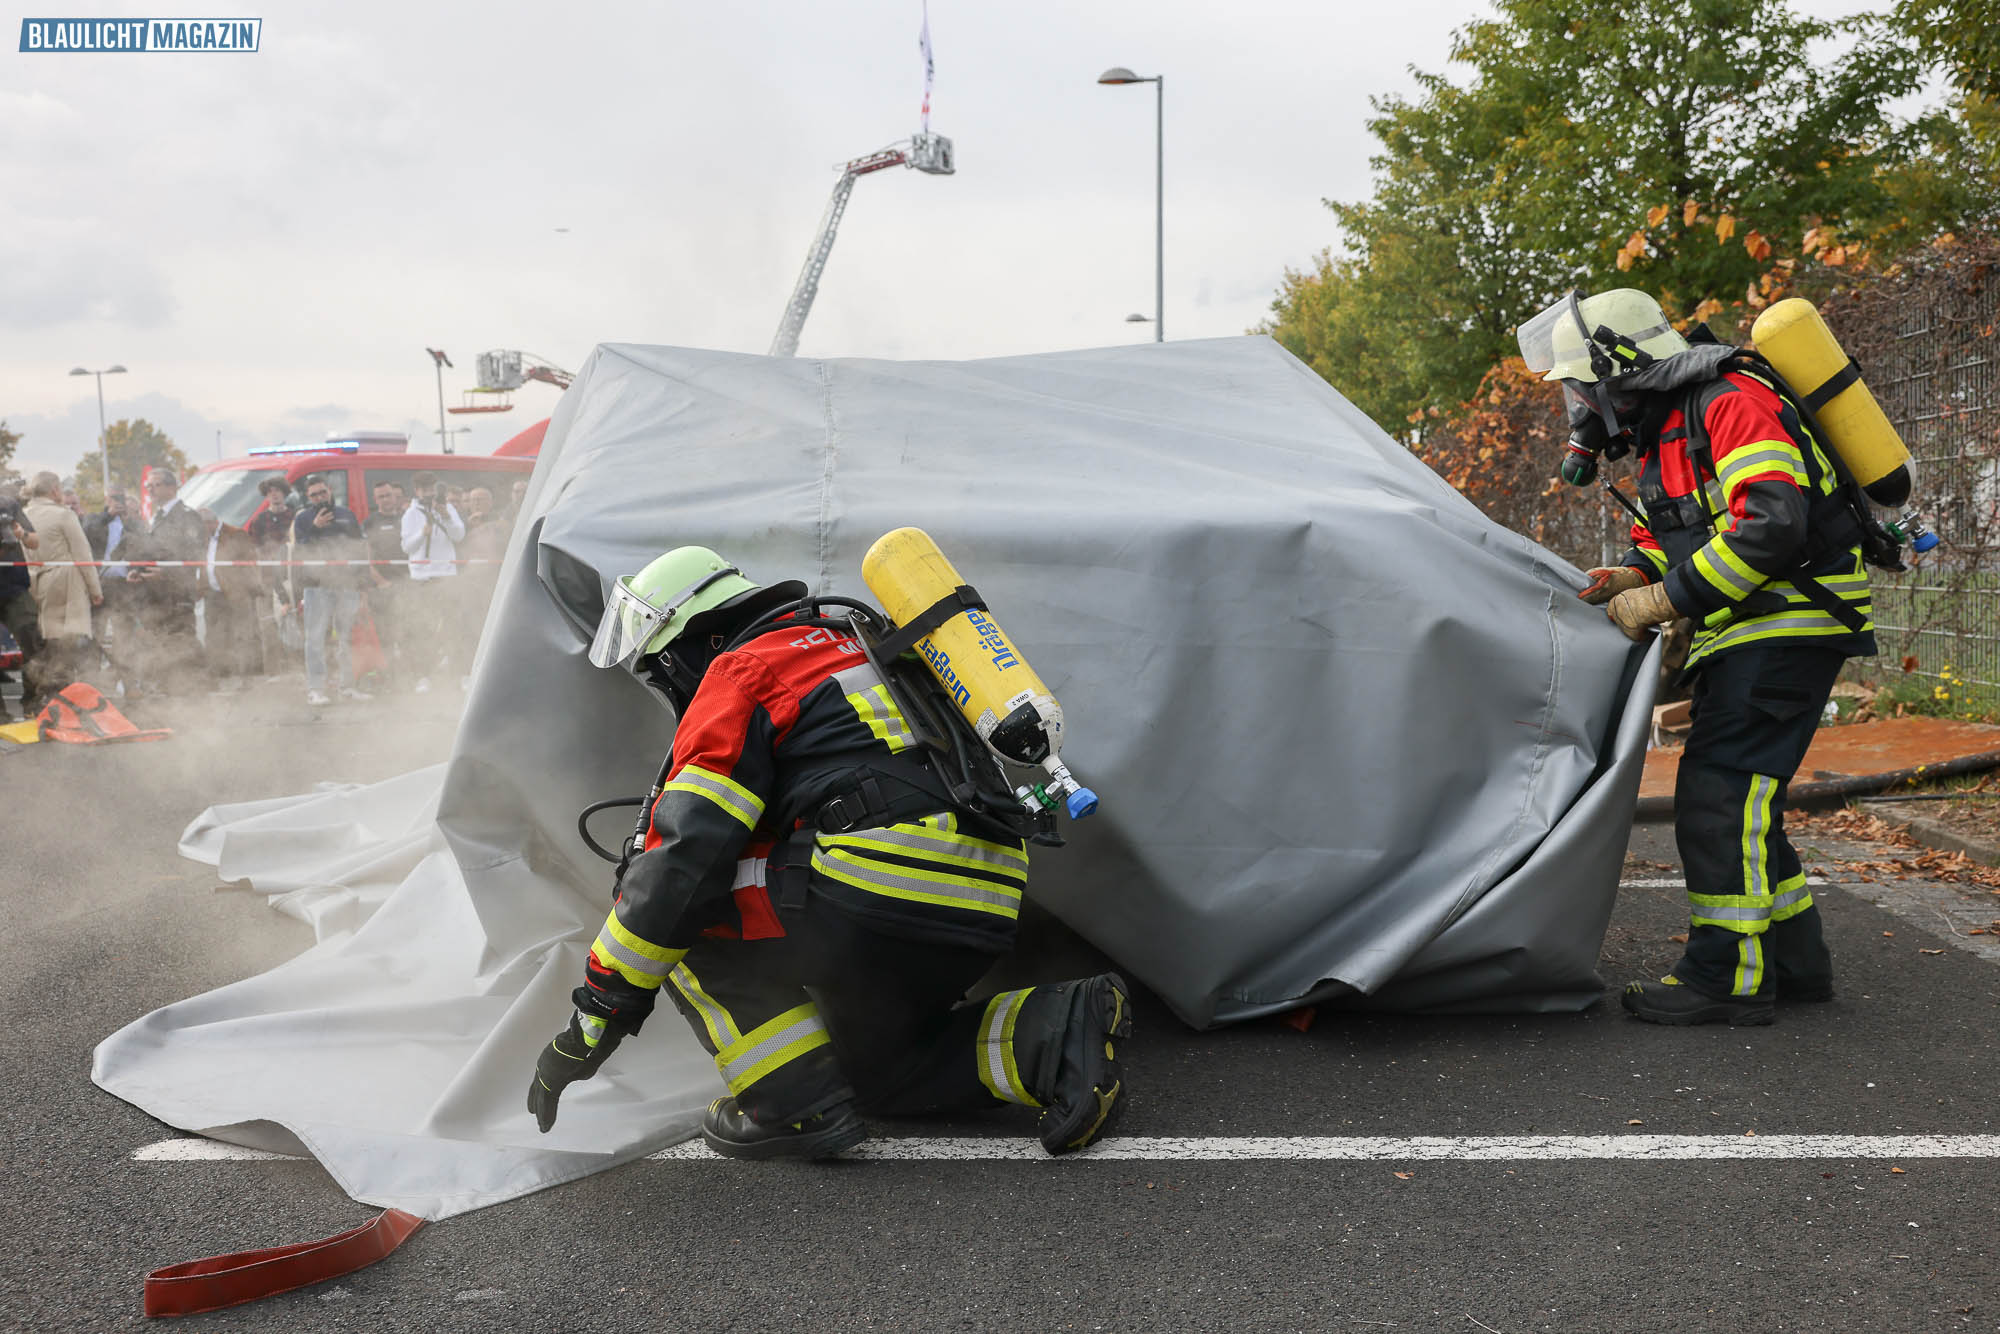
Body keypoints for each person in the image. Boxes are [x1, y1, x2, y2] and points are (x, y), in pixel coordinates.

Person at [524, 546, 1130, 1160]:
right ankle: (1054, 1032)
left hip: (880, 884)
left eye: (663, 668)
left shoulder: (743, 671)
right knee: (879, 1075)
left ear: (700, 641)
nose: (667, 685)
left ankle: (790, 1107)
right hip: (988, 893)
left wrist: (594, 1021)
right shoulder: (860, 642)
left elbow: (685, 862)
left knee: (673, 908)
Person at [1519, 288, 1876, 1026]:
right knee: (1747, 804)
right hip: (1752, 627)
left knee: (1718, 796)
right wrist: (1635, 574)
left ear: (1619, 368)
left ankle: (1729, 978)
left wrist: (1664, 600)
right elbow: (1677, 532)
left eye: (1582, 387)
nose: (1581, 406)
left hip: (1791, 620)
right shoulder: (1670, 430)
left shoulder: (1728, 401)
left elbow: (1771, 525)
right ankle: (1796, 962)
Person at [291, 474, 369, 707]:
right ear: (308, 497)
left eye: (322, 493)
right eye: (314, 495)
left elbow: (359, 548)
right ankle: (315, 689)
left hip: (346, 585)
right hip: (317, 587)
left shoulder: (346, 514)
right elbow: (299, 550)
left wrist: (362, 583)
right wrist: (315, 528)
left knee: (346, 637)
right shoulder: (304, 519)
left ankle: (348, 686)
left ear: (330, 491)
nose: (319, 498)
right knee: (315, 638)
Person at [23, 472, 100, 700]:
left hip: (35, 581)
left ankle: (45, 694)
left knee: (48, 640)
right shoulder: (63, 515)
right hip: (65, 582)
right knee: (67, 642)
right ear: (55, 490)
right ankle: (61, 694)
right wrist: (95, 590)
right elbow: (82, 555)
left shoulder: (25, 515)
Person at [130, 470, 206, 695]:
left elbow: (195, 557)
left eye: (155, 485)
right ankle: (168, 701)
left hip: (177, 597)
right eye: (148, 485)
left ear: (171, 488)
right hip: (154, 598)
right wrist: (137, 570)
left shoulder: (187, 516)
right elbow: (150, 551)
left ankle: (189, 701)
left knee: (181, 650)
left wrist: (165, 574)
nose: (150, 490)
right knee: (159, 651)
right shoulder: (155, 517)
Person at [399, 470, 465, 694]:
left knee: (454, 628)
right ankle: (423, 675)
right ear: (417, 491)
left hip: (447, 574)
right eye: (424, 489)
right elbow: (407, 547)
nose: (429, 493)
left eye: (432, 488)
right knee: (423, 628)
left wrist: (445, 515)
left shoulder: (447, 508)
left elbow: (459, 536)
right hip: (423, 578)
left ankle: (460, 674)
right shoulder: (411, 514)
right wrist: (422, 533)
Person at [197, 508, 264, 689]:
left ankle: (246, 679)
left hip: (237, 594)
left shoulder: (235, 534)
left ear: (211, 523)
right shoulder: (202, 538)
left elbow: (250, 563)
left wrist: (249, 589)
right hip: (212, 594)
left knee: (242, 636)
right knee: (213, 637)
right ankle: (217, 677)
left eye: (202, 525)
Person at [0, 482, 45, 715]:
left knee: (33, 642)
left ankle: (33, 701)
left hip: (15, 587)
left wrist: (20, 534)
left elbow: (34, 541)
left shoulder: (8, 504)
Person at [363, 480, 409, 687]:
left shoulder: (407, 518)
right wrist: (381, 582)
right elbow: (366, 558)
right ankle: (390, 679)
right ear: (376, 500)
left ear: (395, 496)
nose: (385, 500)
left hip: (407, 583)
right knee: (386, 635)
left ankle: (412, 677)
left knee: (409, 632)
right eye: (381, 496)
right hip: (381, 587)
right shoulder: (370, 522)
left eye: (388, 495)